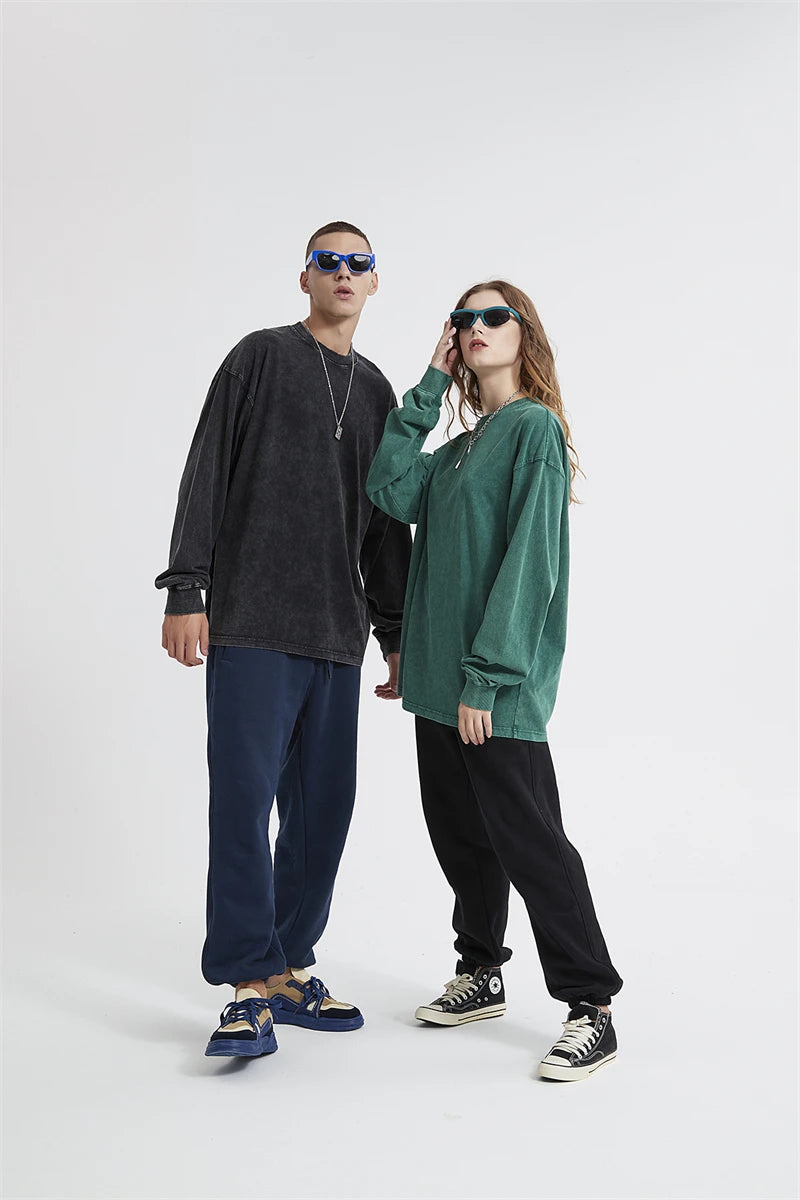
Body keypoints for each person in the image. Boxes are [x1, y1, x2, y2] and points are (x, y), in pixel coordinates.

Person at [155, 221, 411, 1058]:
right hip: (253, 625)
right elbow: (206, 469)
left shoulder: (377, 393)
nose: (343, 273)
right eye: (327, 261)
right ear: (305, 277)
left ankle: (290, 967)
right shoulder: (258, 358)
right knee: (242, 806)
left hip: (336, 635)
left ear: (374, 282)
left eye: (358, 263)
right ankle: (245, 988)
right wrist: (187, 587)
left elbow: (385, 530)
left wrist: (396, 634)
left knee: (323, 815)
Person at [366, 280, 623, 1082]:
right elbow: (387, 486)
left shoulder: (533, 429)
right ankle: (480, 972)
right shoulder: (456, 451)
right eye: (463, 319)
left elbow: (531, 563)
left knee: (531, 842)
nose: (476, 327)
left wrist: (487, 677)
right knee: (462, 838)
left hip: (492, 689)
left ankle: (591, 1006)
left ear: (523, 334)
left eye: (493, 316)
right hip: (438, 686)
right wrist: (430, 384)